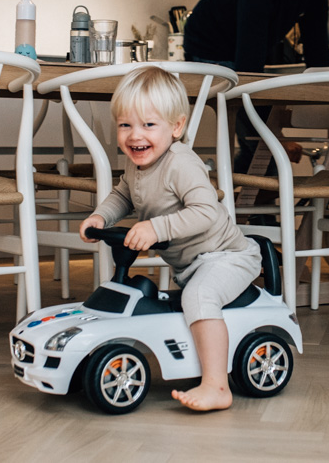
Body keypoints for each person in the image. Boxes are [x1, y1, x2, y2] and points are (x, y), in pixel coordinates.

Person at [78, 67, 262, 412]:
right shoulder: (136, 165)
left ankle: (216, 386)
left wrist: (156, 228)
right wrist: (101, 217)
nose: (135, 135)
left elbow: (206, 211)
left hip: (228, 257)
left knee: (200, 295)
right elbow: (122, 196)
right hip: (193, 264)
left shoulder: (181, 163)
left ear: (176, 128)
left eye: (148, 125)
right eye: (125, 125)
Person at [183, 0, 329, 172]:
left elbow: (318, 52)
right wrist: (275, 136)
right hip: (208, 50)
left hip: (244, 56)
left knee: (260, 146)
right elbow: (248, 68)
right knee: (265, 146)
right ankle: (251, 210)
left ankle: (246, 209)